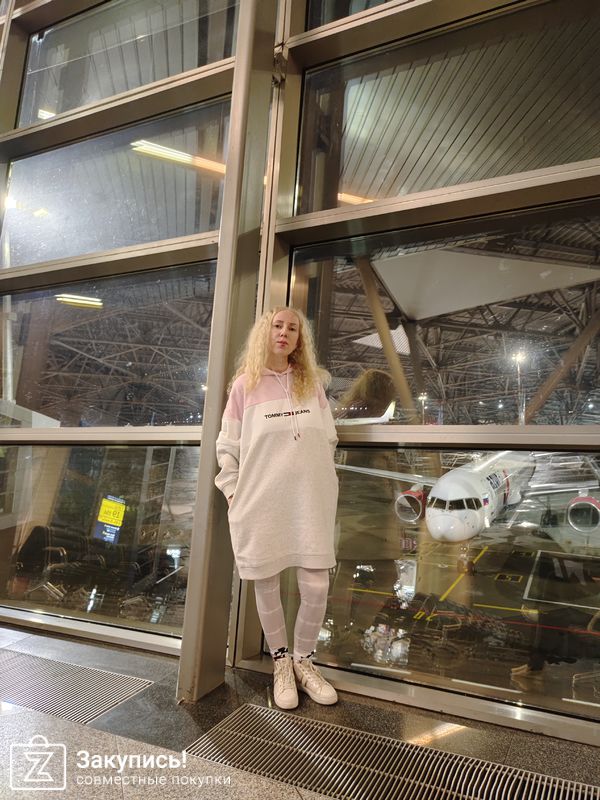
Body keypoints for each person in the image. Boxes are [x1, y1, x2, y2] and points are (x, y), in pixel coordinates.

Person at [215, 307, 339, 710]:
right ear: (264, 333)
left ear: (300, 339)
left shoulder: (312, 384)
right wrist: (233, 492)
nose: (284, 332)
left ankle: (304, 660)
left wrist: (320, 477)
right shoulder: (244, 387)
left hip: (310, 499)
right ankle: (281, 662)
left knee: (316, 583)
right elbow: (227, 446)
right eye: (277, 325)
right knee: (265, 580)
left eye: (293, 328)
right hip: (261, 499)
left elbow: (329, 438)